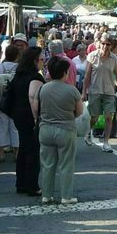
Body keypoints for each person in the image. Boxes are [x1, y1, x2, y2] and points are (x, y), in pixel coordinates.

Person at [38, 56, 84, 204]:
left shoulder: (43, 88)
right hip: (65, 128)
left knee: (47, 164)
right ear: (65, 72)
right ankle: (66, 196)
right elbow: (79, 112)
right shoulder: (72, 90)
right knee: (66, 164)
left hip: (45, 128)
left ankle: (46, 195)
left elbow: (38, 108)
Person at [7, 47, 45, 196]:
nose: (43, 62)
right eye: (42, 59)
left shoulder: (19, 75)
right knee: (32, 152)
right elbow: (33, 99)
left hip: (18, 115)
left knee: (23, 149)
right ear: (35, 61)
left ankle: (21, 183)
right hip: (30, 117)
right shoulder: (34, 77)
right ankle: (31, 185)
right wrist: (37, 119)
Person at [83, 34, 117, 152]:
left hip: (109, 91)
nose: (105, 46)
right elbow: (87, 76)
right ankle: (88, 132)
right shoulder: (92, 56)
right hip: (95, 90)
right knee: (94, 117)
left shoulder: (114, 58)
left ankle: (106, 142)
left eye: (108, 44)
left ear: (111, 45)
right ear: (99, 44)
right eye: (103, 43)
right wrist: (84, 92)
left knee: (109, 117)